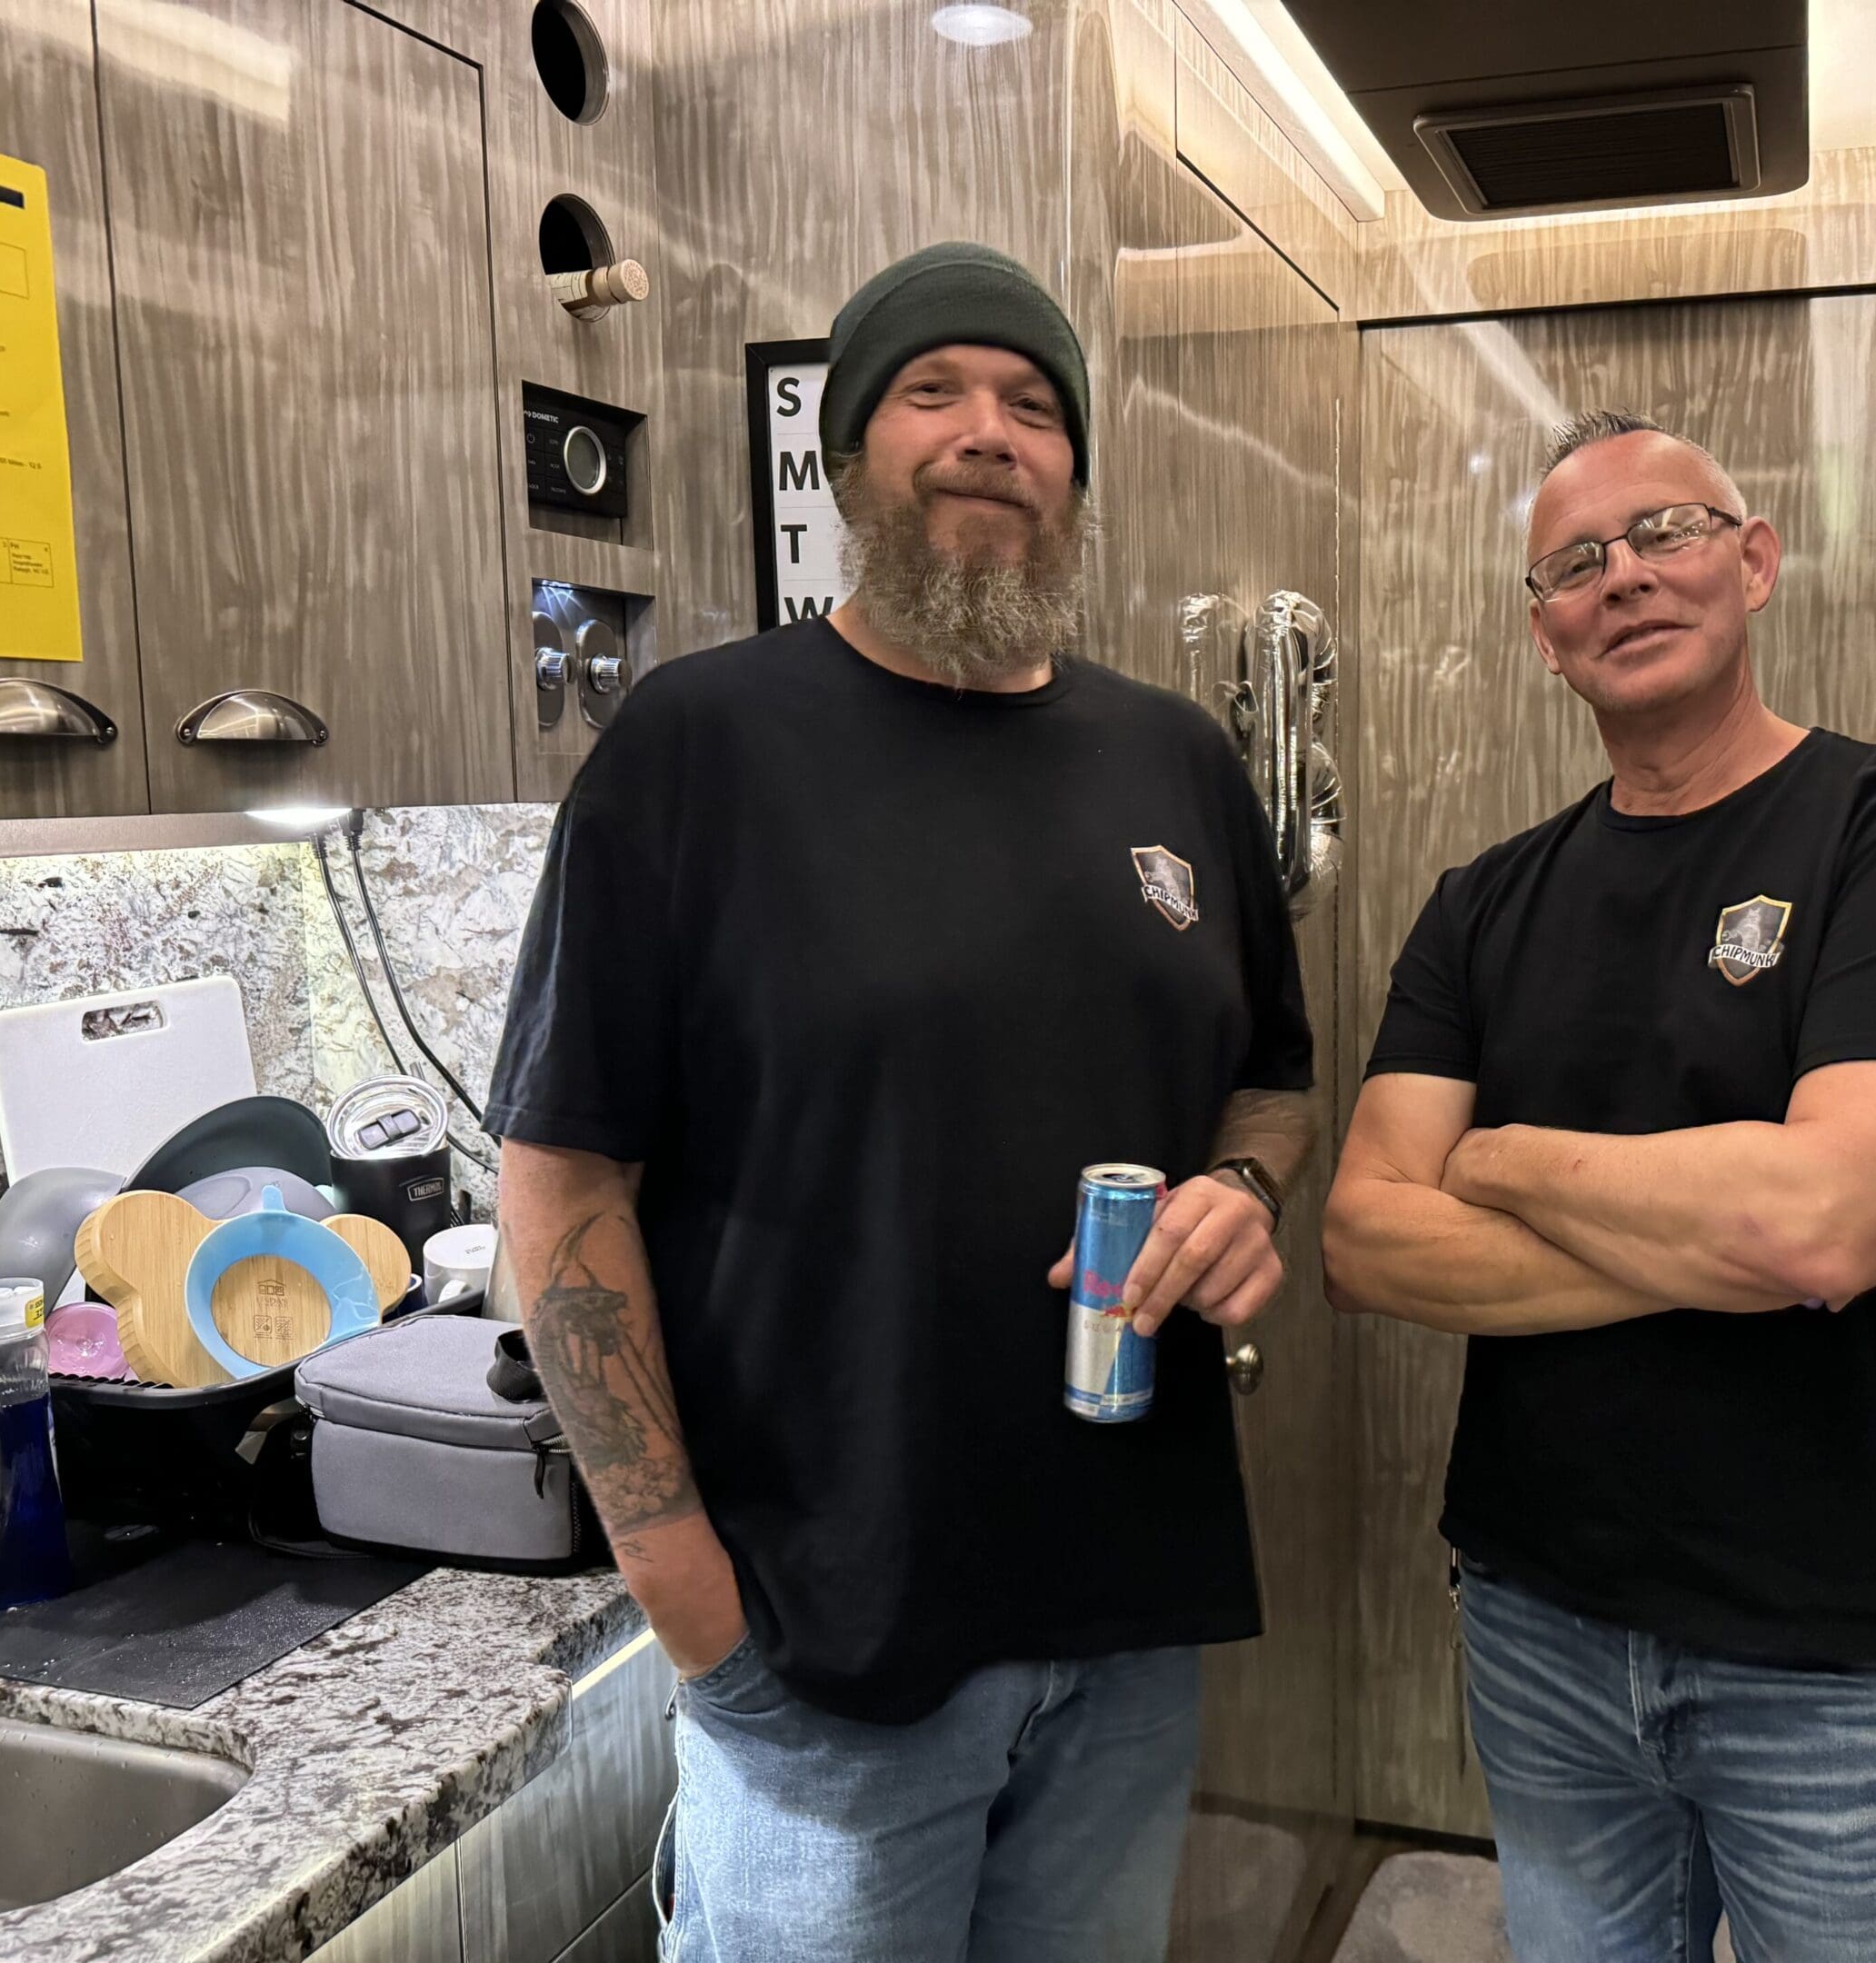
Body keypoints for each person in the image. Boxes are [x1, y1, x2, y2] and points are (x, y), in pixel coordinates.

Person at [485, 241, 1316, 1963]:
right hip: (825, 1646)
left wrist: (1244, 1193)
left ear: (1074, 468)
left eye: (1030, 405)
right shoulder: (695, 749)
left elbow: (1274, 1084)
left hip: (1127, 1616)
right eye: (931, 393)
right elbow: (562, 1180)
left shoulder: (1177, 762)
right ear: (848, 456)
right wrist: (684, 1594)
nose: (986, 433)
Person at [1323, 409, 1876, 1963]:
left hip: (1835, 1652)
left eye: (1667, 533)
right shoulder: (1482, 903)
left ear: (1756, 562)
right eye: (1576, 563)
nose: (1625, 578)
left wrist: (1501, 1163)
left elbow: (1826, 1222)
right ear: (1543, 635)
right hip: (1537, 1620)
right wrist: (1731, 1231)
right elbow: (1369, 1239)